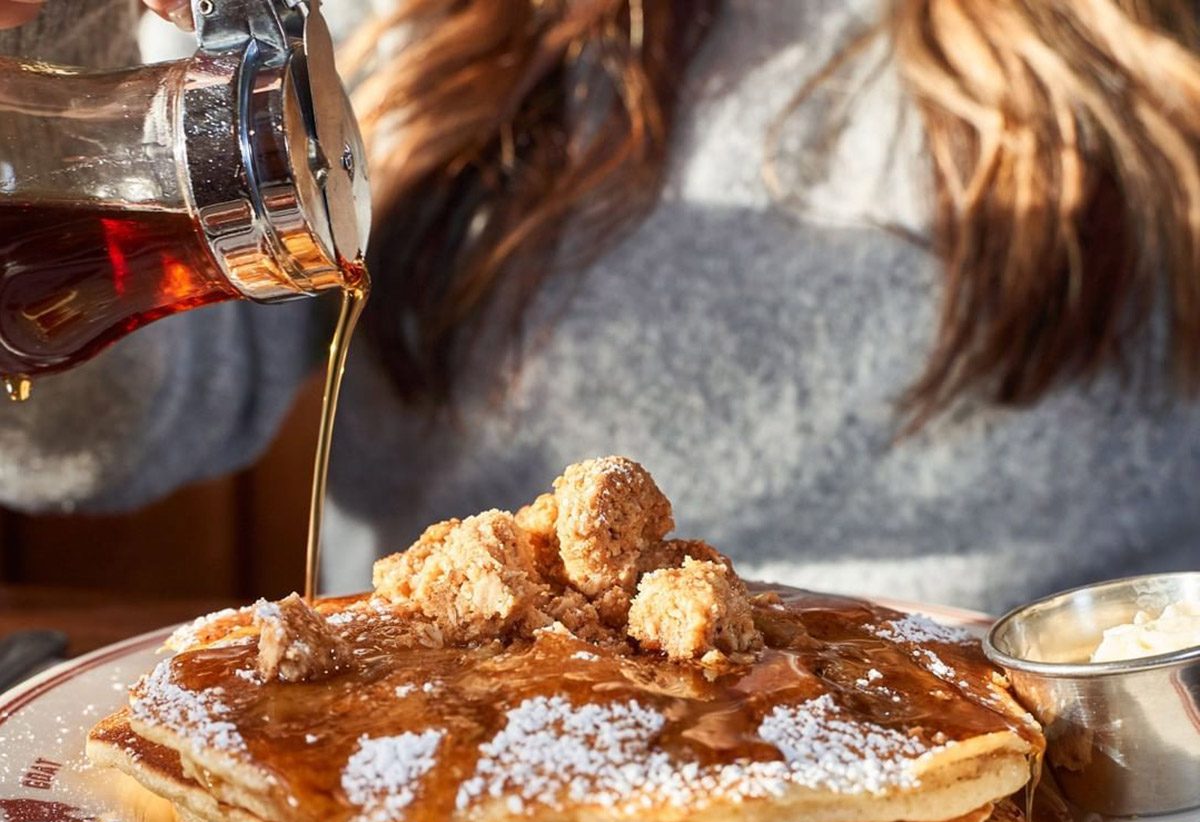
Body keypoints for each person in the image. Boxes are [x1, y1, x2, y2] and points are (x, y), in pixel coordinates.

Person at [2, 0, 1199, 614]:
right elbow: (117, 429)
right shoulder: (389, 23)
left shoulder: (1147, 39)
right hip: (460, 794)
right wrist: (51, 69)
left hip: (1096, 816)